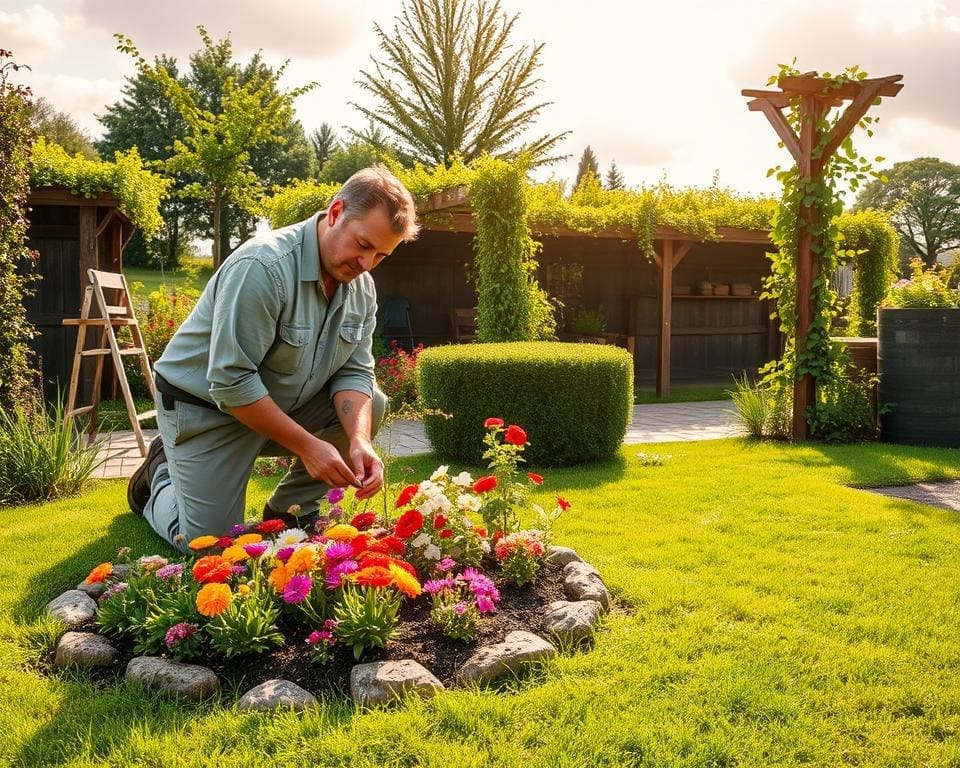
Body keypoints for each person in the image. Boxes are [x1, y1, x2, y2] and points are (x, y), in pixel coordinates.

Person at [127, 166, 419, 552]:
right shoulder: (263, 267)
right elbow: (231, 383)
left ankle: (290, 512)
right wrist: (309, 447)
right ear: (335, 213)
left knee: (373, 403)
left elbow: (354, 370)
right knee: (211, 546)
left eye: (381, 255)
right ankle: (157, 479)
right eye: (363, 245)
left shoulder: (360, 287)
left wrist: (360, 441)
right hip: (206, 410)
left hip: (276, 404)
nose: (367, 264)